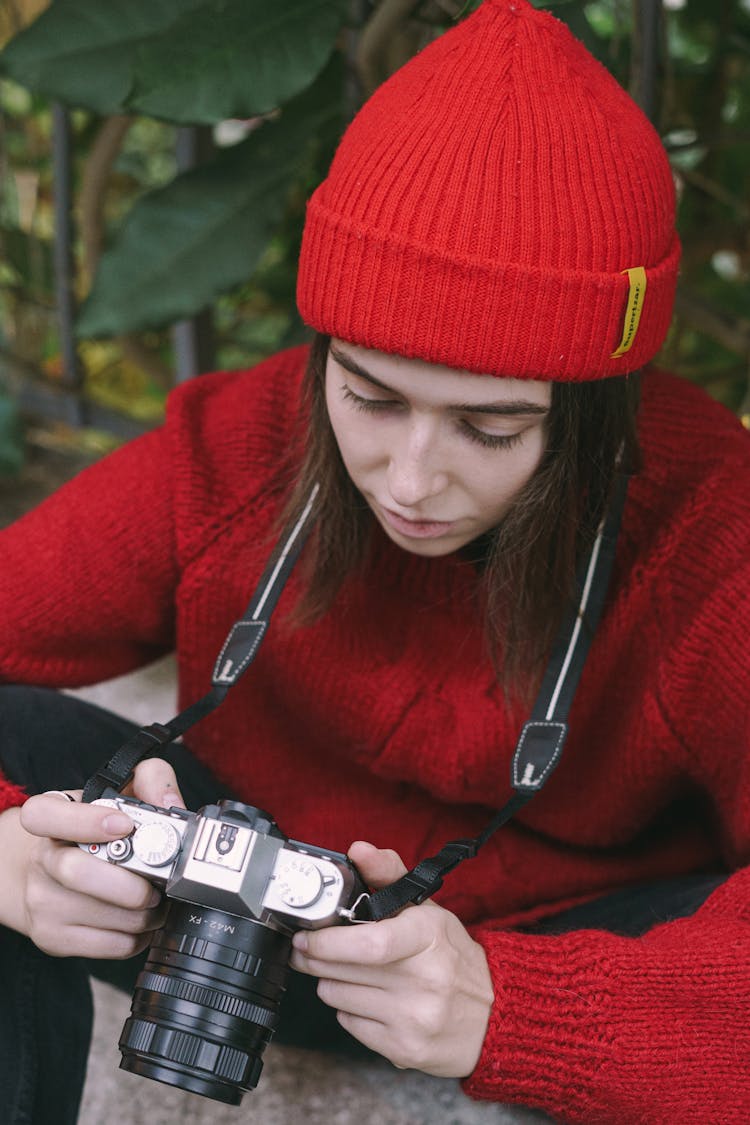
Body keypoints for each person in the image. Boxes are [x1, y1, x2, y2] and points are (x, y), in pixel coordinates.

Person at [0, 1, 748, 1122]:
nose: (407, 480)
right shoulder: (242, 449)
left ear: (598, 409)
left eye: (490, 430)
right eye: (370, 396)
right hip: (229, 927)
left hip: (544, 950)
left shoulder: (715, 539)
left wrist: (529, 1010)